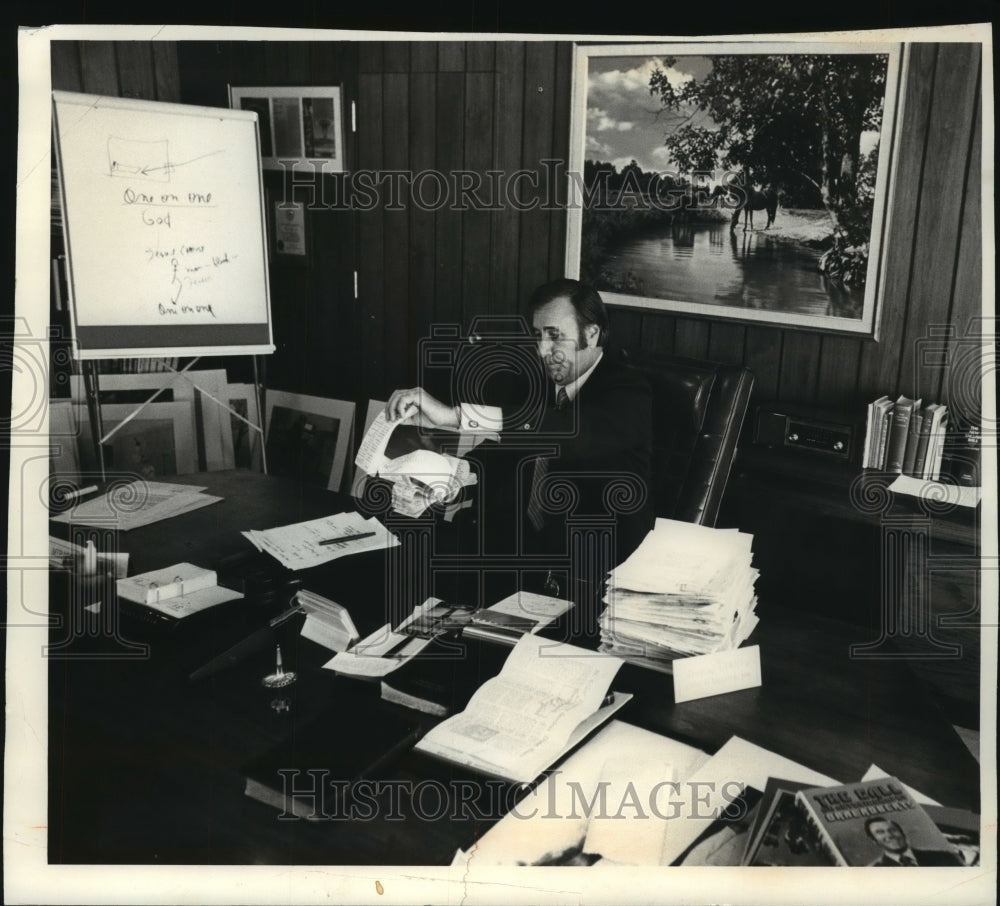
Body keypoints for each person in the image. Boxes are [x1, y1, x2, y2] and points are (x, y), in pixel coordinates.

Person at [386, 279, 654, 626]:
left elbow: (562, 433)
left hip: (593, 577)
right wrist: (443, 483)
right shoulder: (537, 385)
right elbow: (493, 458)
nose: (542, 350)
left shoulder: (629, 392)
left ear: (591, 334)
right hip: (518, 558)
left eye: (555, 335)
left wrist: (453, 416)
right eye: (538, 335)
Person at [864, 817, 963, 866]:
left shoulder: (944, 856)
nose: (889, 835)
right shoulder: (873, 872)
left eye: (893, 830)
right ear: (874, 840)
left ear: (902, 833)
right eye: (880, 832)